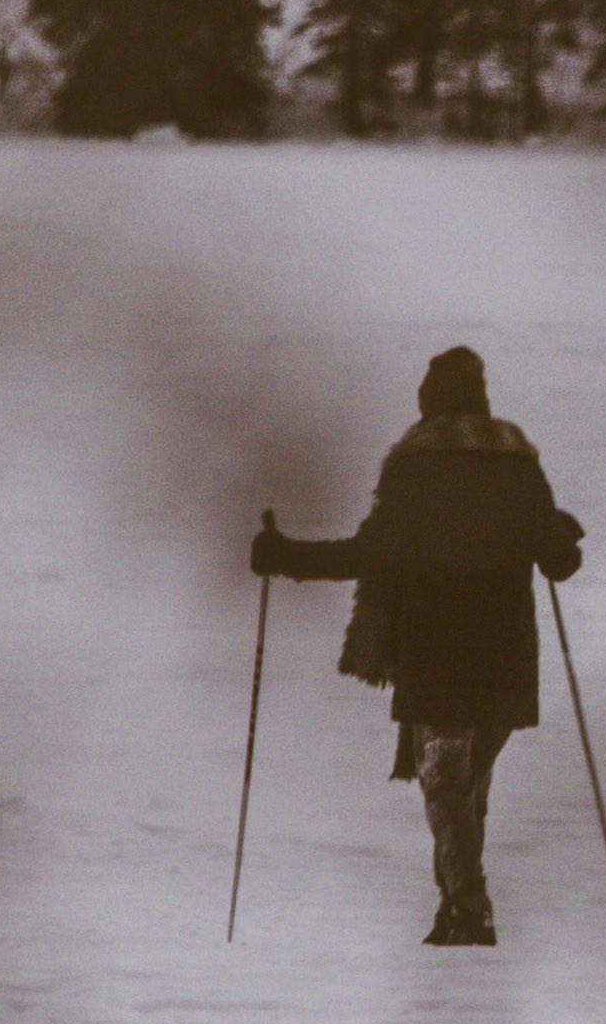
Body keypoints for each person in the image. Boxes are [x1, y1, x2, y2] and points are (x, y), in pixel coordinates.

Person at [249, 347, 586, 947]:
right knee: (466, 784)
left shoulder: (414, 466)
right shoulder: (519, 465)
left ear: (429, 402)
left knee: (446, 781)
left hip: (436, 655)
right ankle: (458, 909)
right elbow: (559, 561)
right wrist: (560, 533)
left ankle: (467, 906)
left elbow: (369, 554)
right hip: (505, 657)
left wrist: (284, 557)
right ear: (480, 399)